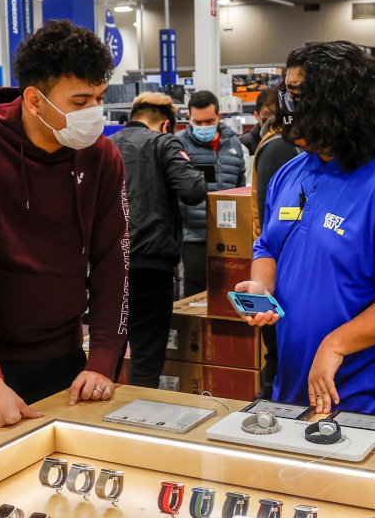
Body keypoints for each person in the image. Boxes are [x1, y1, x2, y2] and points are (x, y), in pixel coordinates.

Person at [0, 20, 129, 436]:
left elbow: (114, 261)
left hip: (64, 357)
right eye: (80, 101)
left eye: (99, 98)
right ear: (35, 100)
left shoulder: (102, 157)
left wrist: (103, 360)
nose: (93, 112)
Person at [236, 41, 375, 421]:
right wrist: (262, 287)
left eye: (298, 96)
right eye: (287, 95)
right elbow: (268, 246)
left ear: (339, 103)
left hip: (364, 397)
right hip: (293, 386)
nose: (287, 108)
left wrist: (336, 344)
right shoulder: (290, 174)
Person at [110, 93, 207, 387]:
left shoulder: (105, 146)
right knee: (146, 357)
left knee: (106, 354)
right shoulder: (163, 143)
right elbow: (192, 190)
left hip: (107, 266)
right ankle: (139, 411)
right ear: (166, 124)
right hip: (151, 265)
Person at [249, 87, 302, 399]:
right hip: (280, 284)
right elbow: (269, 235)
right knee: (278, 362)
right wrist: (261, 284)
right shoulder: (281, 151)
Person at [178, 90, 247, 297]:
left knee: (227, 292)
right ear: (189, 118)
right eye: (197, 122)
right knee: (194, 294)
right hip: (193, 236)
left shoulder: (234, 143)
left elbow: (241, 188)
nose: (203, 127)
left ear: (219, 116)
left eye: (208, 121)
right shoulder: (179, 144)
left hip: (228, 235)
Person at [238, 87, 279, 155]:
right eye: (267, 114)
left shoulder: (287, 140)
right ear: (257, 115)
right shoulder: (244, 144)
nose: (272, 119)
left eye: (276, 114)